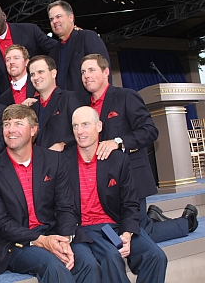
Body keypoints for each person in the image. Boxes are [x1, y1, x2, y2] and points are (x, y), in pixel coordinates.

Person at [80, 53, 197, 243]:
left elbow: (150, 131)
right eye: (83, 72)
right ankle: (152, 218)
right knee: (120, 231)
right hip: (103, 184)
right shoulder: (84, 108)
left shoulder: (126, 96)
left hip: (132, 179)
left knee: (138, 236)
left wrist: (118, 142)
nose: (86, 75)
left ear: (106, 72)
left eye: (91, 70)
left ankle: (186, 223)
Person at [0, 104, 100, 282]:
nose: (11, 130)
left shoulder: (54, 160)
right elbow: (1, 224)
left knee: (89, 264)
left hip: (57, 233)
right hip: (20, 244)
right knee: (54, 267)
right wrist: (42, 240)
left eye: (19, 123)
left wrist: (64, 239)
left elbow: (66, 206)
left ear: (33, 130)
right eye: (6, 124)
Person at [63, 106, 167, 283]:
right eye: (75, 126)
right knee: (111, 257)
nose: (80, 131)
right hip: (85, 229)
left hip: (114, 226)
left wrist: (126, 234)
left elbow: (130, 203)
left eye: (86, 124)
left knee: (156, 256)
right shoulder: (62, 162)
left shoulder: (118, 160)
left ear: (99, 126)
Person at [0, 3, 57, 95]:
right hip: (9, 101)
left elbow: (55, 49)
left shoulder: (30, 30)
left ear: (3, 15)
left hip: (39, 93)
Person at [47, 0, 111, 101]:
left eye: (58, 16)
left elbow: (103, 71)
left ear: (71, 17)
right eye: (51, 19)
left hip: (89, 106)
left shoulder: (87, 37)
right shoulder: (53, 52)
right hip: (63, 109)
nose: (54, 21)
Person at [28, 55, 84, 152]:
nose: (36, 77)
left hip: (64, 160)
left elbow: (84, 129)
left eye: (40, 72)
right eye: (32, 74)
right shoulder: (32, 107)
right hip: (39, 162)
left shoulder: (69, 98)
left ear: (53, 73)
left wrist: (63, 144)